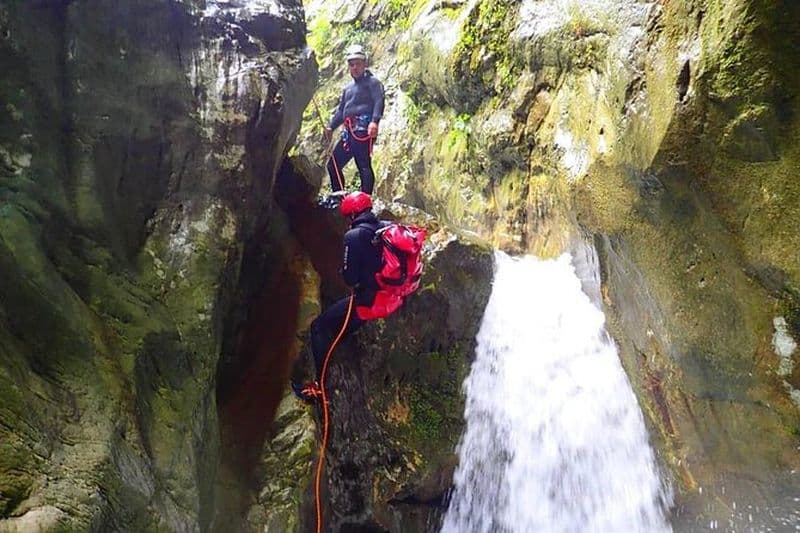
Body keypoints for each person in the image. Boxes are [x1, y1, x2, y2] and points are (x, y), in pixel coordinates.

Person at [292, 192, 386, 402]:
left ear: (351, 215)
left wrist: (346, 269)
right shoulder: (383, 227)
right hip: (385, 296)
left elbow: (350, 278)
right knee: (344, 319)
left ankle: (319, 388)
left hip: (366, 300)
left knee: (319, 326)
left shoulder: (354, 237)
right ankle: (343, 339)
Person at [324, 44, 385, 195]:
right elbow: (341, 111)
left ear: (365, 64)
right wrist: (331, 127)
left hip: (362, 129)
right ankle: (340, 197)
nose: (355, 67)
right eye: (352, 64)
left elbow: (379, 101)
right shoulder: (348, 89)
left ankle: (366, 199)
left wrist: (374, 121)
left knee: (363, 163)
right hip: (348, 132)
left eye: (358, 64)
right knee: (333, 164)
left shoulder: (373, 83)